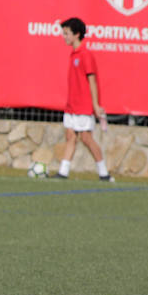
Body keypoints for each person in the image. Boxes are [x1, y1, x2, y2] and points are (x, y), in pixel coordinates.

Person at [52, 17, 114, 181]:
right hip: (71, 105)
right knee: (70, 136)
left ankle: (104, 173)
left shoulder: (85, 55)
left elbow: (92, 81)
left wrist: (95, 104)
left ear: (77, 34)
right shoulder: (73, 55)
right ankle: (63, 172)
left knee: (86, 138)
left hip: (83, 106)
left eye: (66, 33)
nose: (64, 37)